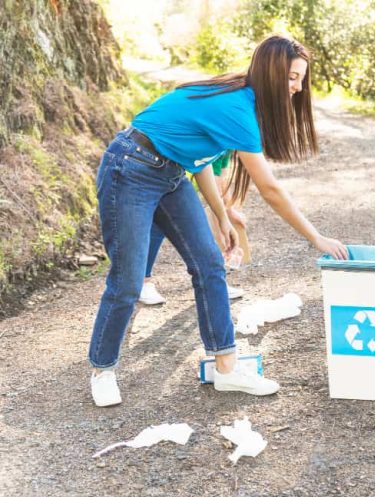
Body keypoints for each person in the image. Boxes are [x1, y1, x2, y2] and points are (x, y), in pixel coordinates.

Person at [88, 34, 348, 407]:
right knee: (128, 280)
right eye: (293, 77)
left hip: (171, 173)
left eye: (301, 79)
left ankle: (226, 368)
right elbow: (269, 189)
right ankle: (103, 368)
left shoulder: (245, 100)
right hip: (129, 168)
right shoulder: (237, 107)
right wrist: (316, 238)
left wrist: (221, 214)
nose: (298, 87)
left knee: (210, 264)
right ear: (273, 73)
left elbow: (202, 157)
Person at [139, 152, 247, 306]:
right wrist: (223, 217)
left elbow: (222, 178)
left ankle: (214, 282)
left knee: (159, 227)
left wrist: (230, 211)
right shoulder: (218, 139)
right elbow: (214, 187)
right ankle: (143, 282)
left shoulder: (229, 144)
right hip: (172, 179)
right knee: (161, 227)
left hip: (185, 183)